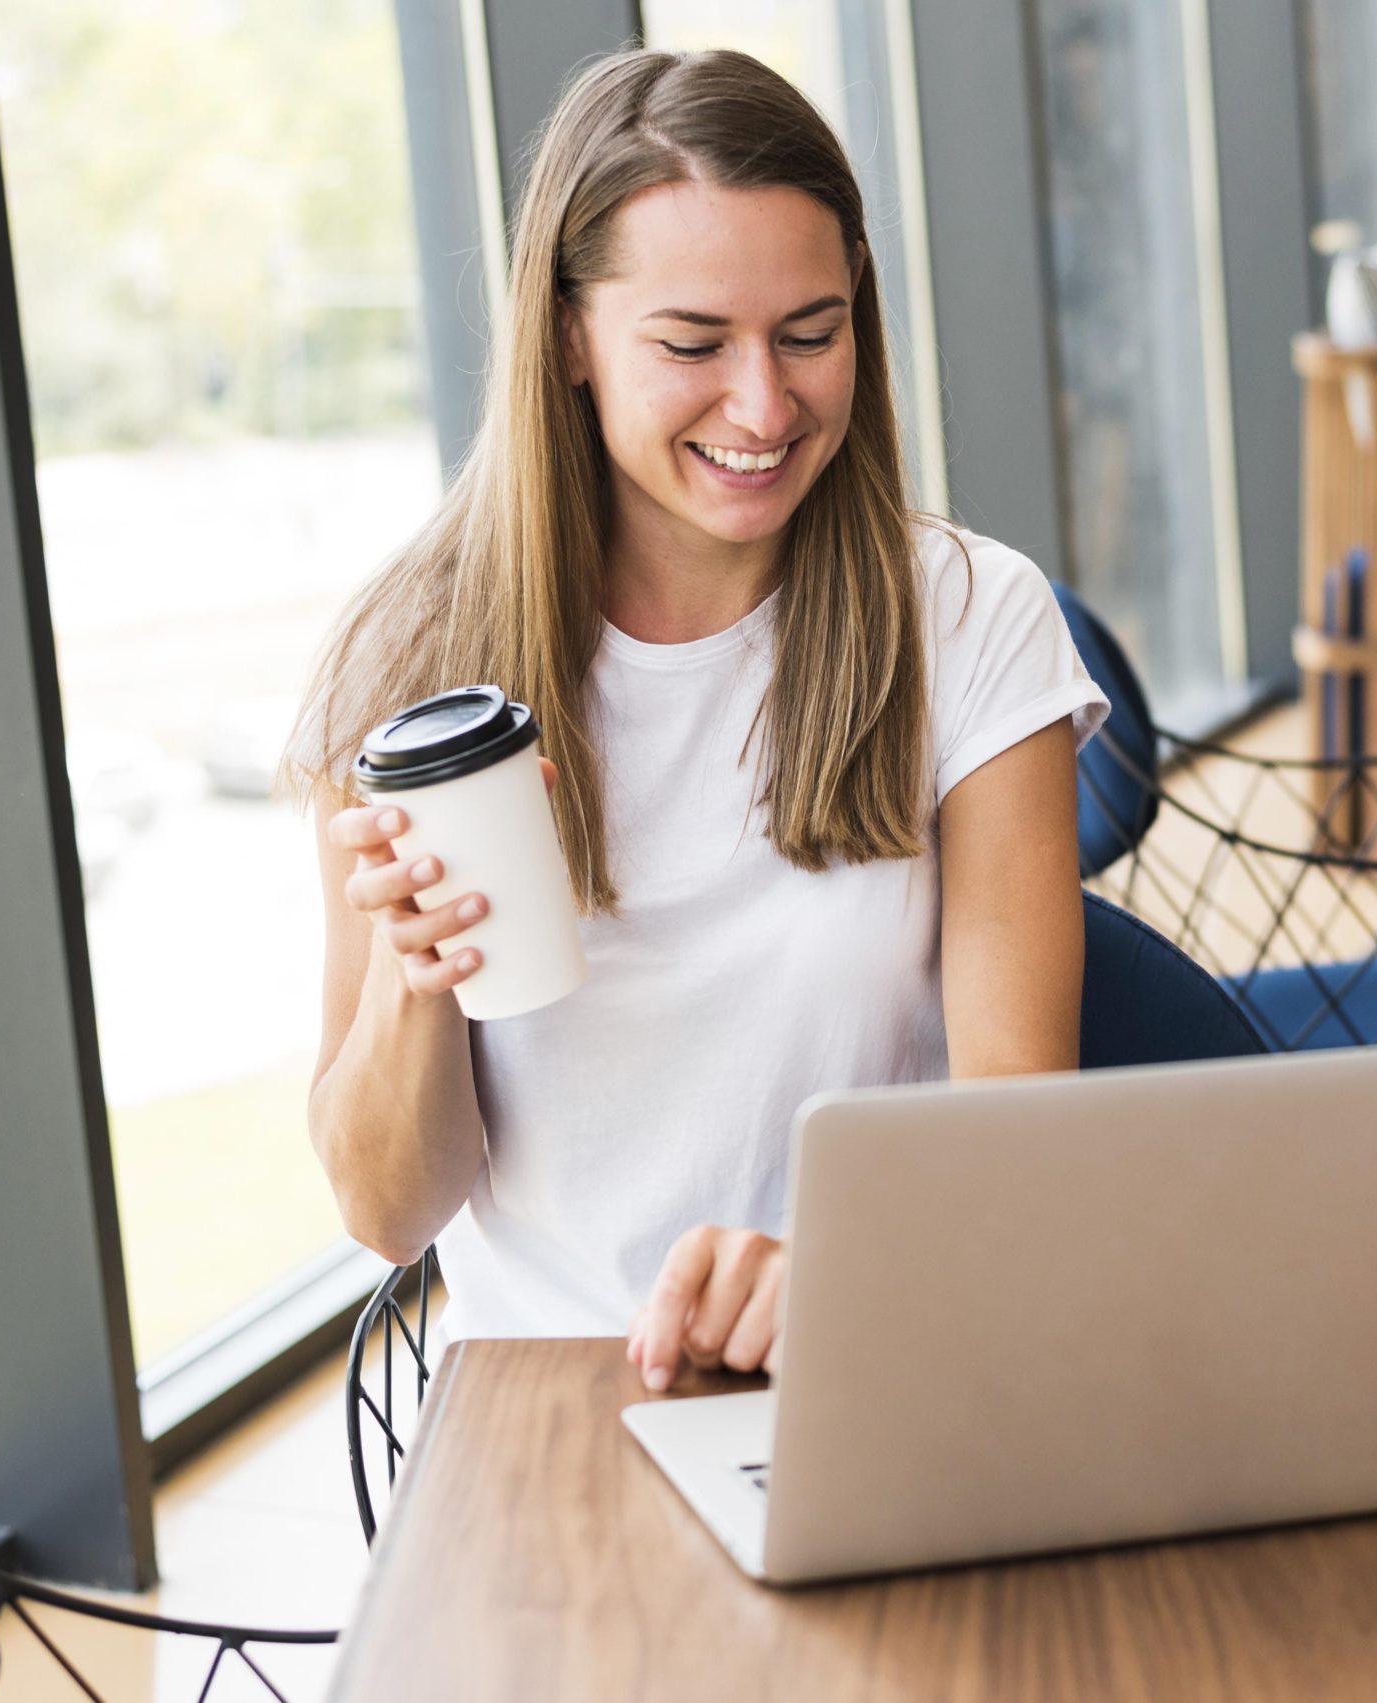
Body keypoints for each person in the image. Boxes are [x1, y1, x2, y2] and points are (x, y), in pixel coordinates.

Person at [286, 48, 1105, 1391]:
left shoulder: (969, 616)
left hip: (878, 1360)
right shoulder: (412, 665)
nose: (765, 407)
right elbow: (389, 1215)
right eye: (691, 344)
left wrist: (847, 1272)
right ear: (567, 337)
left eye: (810, 332)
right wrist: (412, 977)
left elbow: (1021, 1125)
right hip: (550, 1416)